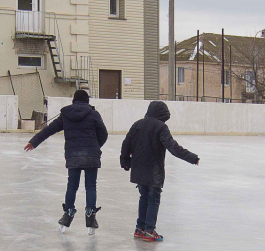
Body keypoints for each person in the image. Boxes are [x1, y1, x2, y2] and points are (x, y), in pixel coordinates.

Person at [24, 89, 108, 234]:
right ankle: (90, 216)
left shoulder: (66, 115)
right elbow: (104, 134)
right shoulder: (93, 114)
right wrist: (95, 147)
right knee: (90, 186)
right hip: (90, 155)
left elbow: (49, 130)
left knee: (72, 185)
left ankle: (68, 213)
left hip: (73, 154)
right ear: (87, 101)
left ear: (74, 100)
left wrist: (34, 142)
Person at [120, 100, 199, 242]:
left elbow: (126, 144)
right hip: (153, 170)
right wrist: (192, 158)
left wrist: (125, 162)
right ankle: (149, 230)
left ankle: (140, 228)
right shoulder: (161, 127)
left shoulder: (137, 124)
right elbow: (173, 147)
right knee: (153, 198)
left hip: (138, 168)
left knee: (144, 197)